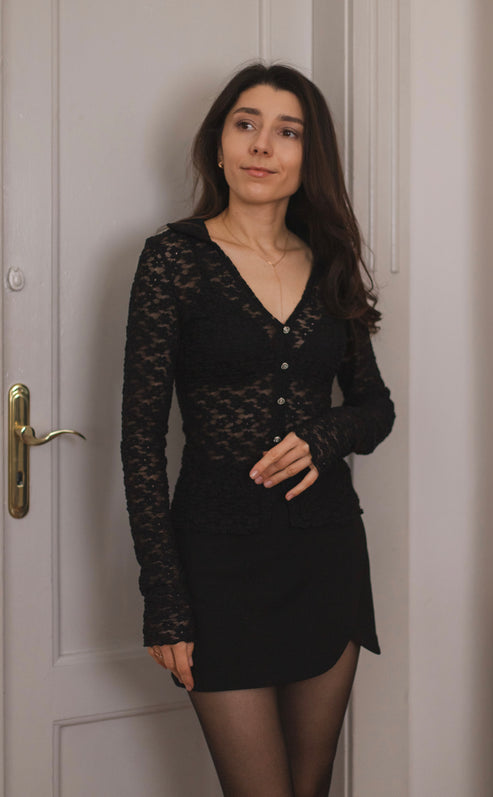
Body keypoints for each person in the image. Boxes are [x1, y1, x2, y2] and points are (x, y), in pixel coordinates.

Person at [121, 62, 395, 797]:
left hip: (325, 554)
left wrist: (324, 437)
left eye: (287, 132)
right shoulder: (173, 260)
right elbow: (140, 444)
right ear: (218, 144)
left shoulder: (330, 262)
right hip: (216, 563)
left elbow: (375, 408)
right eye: (246, 124)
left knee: (309, 787)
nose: (262, 145)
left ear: (308, 157)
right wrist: (164, 601)